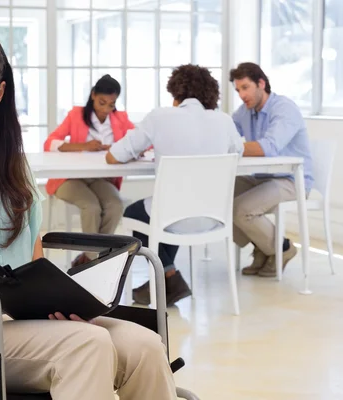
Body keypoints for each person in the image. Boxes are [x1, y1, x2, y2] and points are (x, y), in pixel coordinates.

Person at [0, 30, 177, 400]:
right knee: (85, 345)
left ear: (0, 93)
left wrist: (58, 305)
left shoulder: (13, 166)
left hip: (19, 320)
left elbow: (32, 255)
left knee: (144, 344)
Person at [105, 64, 244, 307]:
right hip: (214, 218)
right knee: (168, 210)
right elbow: (237, 153)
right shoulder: (224, 121)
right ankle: (167, 279)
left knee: (139, 213)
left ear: (175, 92)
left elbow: (114, 155)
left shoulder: (160, 117)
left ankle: (169, 276)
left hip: (173, 217)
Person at [229, 62, 313, 277]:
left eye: (245, 87)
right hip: (262, 177)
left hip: (292, 180)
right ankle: (263, 247)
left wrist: (233, 146)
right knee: (219, 196)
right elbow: (227, 131)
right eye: (238, 90)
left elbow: (269, 147)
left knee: (241, 209)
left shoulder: (284, 108)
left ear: (261, 83)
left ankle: (282, 249)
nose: (241, 94)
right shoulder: (245, 112)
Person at [43, 75, 135, 268]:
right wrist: (84, 145)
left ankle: (91, 257)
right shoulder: (76, 115)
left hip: (100, 178)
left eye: (111, 104)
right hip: (69, 178)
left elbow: (139, 142)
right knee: (91, 207)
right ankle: (94, 264)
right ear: (93, 95)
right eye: (102, 102)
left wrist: (121, 148)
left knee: (115, 205)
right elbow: (50, 143)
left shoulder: (120, 118)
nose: (106, 108)